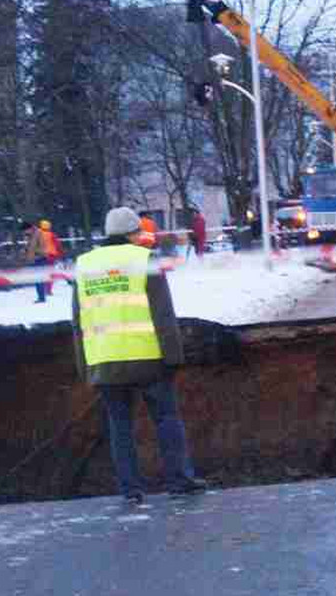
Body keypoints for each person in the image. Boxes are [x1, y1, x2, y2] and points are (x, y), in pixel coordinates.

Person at [72, 206, 207, 507]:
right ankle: (179, 482)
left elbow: (78, 320)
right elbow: (163, 314)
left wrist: (84, 366)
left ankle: (130, 489)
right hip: (148, 359)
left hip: (105, 362)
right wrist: (174, 356)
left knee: (119, 426)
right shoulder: (145, 260)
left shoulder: (83, 264)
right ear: (132, 233)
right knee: (166, 419)